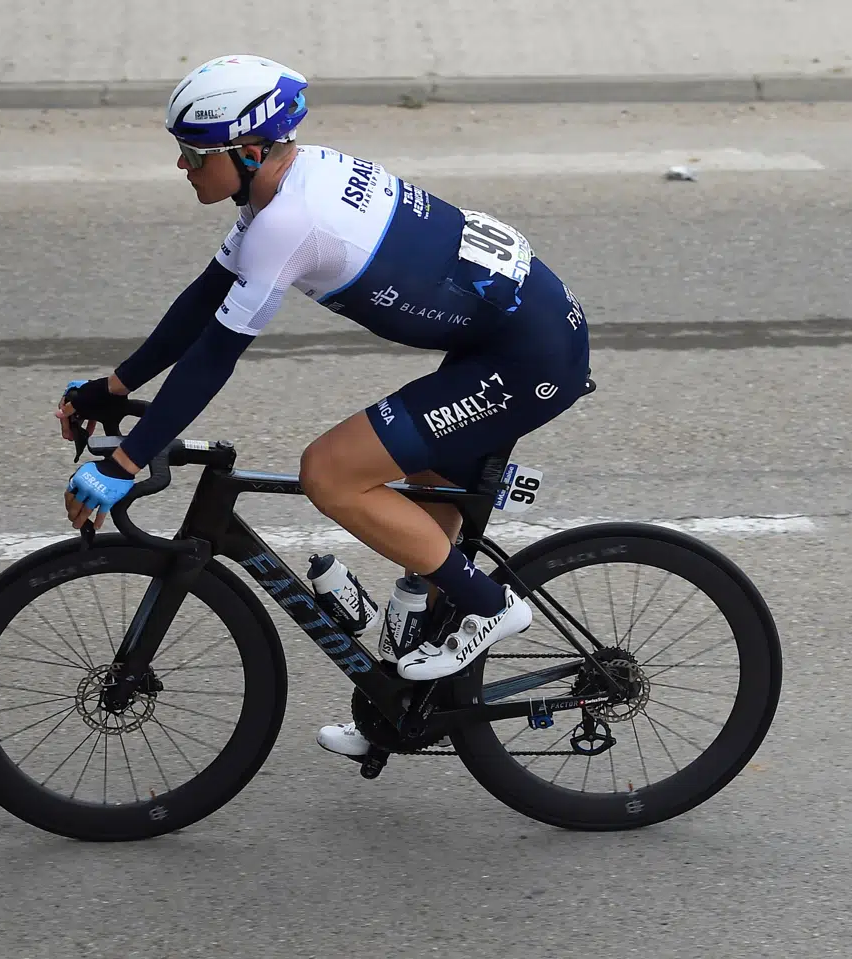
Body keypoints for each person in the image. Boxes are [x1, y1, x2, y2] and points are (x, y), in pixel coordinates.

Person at [58, 54, 591, 759]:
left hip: (527, 357)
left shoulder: (290, 221)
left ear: (249, 152)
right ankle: (396, 710)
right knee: (422, 509)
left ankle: (491, 607)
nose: (182, 167)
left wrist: (123, 462)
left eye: (192, 153)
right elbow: (204, 299)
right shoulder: (283, 187)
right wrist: (115, 389)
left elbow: (216, 354)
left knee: (331, 473)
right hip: (509, 335)